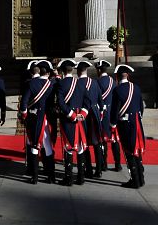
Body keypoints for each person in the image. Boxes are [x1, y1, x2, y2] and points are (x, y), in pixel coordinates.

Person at [19, 59, 57, 184]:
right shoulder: (53, 83)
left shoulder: (32, 83)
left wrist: (24, 114)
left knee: (33, 144)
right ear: (49, 72)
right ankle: (51, 176)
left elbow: (24, 103)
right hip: (48, 118)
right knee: (48, 146)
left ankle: (34, 177)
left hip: (34, 118)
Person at [111, 64, 146, 189]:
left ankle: (135, 180)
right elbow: (141, 107)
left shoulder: (117, 90)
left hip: (125, 124)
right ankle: (141, 178)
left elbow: (115, 110)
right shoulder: (136, 87)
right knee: (137, 150)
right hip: (136, 122)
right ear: (128, 75)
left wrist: (113, 123)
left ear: (117, 76)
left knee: (129, 152)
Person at [56, 58, 88, 186]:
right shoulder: (80, 83)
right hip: (80, 117)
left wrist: (71, 115)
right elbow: (88, 101)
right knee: (80, 147)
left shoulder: (61, 84)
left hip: (68, 118)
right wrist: (83, 114)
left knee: (68, 147)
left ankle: (68, 178)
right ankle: (81, 178)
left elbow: (60, 102)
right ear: (73, 70)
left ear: (63, 71)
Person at [77, 60, 103, 179]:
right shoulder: (94, 83)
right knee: (97, 142)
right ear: (86, 71)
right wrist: (101, 111)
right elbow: (100, 99)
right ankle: (98, 169)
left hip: (84, 114)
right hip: (95, 113)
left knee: (84, 141)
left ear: (78, 72)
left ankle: (88, 169)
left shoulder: (77, 83)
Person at [95, 59, 123, 172]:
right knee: (114, 140)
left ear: (99, 70)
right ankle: (118, 164)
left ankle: (104, 164)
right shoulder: (113, 81)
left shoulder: (97, 82)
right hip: (113, 114)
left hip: (103, 114)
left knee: (103, 139)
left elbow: (97, 99)